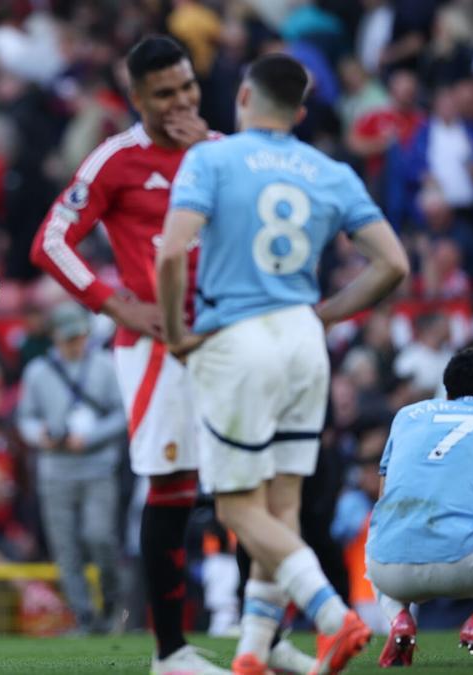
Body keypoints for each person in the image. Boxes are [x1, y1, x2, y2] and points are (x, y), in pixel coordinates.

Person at [31, 35, 297, 674]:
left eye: (187, 87)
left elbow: (263, 223)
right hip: (156, 352)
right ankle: (171, 652)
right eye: (165, 93)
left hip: (230, 343)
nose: (180, 101)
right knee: (172, 490)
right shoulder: (115, 160)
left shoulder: (220, 153)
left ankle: (264, 638)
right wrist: (113, 303)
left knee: (252, 487)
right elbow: (51, 241)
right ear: (138, 99)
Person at [156, 53, 409, 675]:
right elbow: (394, 265)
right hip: (302, 335)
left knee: (239, 509)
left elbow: (169, 255)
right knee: (282, 508)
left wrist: (177, 334)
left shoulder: (211, 159)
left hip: (236, 336)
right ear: (298, 112)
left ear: (243, 96)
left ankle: (332, 614)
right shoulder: (330, 169)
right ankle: (251, 652)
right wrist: (323, 315)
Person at [368, 347, 473, 667]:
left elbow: (384, 503)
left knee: (382, 527)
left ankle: (397, 618)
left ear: (447, 387)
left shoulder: (405, 417)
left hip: (387, 572)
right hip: (468, 563)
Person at [15, 301, 127, 634]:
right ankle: (85, 616)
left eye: (79, 336)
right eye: (68, 338)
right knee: (65, 548)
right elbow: (25, 418)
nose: (75, 343)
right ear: (54, 338)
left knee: (99, 536)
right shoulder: (38, 371)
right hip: (55, 468)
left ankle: (111, 602)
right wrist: (40, 436)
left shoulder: (105, 365)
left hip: (97, 466)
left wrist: (91, 437)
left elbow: (122, 414)